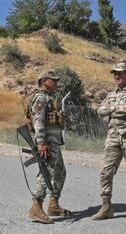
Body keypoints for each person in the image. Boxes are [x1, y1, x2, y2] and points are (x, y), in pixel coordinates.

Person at [92, 60, 126, 224]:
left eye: (120, 73)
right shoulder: (111, 94)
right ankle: (106, 207)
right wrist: (117, 106)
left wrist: (112, 108)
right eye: (114, 73)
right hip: (113, 134)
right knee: (105, 171)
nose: (116, 75)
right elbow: (100, 110)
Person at [25, 71, 72, 224]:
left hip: (54, 142)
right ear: (45, 81)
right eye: (54, 80)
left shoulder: (48, 98)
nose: (56, 82)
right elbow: (38, 121)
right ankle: (36, 207)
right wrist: (41, 142)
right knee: (46, 172)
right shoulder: (40, 98)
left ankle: (53, 205)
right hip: (47, 142)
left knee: (60, 172)